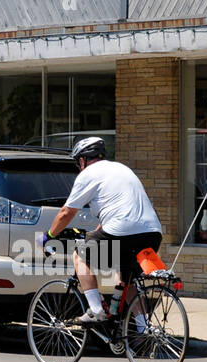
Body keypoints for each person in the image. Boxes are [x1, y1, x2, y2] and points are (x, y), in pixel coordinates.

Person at [44, 136, 163, 323]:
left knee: (80, 255)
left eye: (78, 163)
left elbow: (66, 212)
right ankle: (143, 329)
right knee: (127, 279)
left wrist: (49, 235)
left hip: (123, 230)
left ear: (82, 160)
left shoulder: (88, 174)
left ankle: (96, 310)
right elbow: (114, 214)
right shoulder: (121, 168)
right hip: (153, 232)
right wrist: (93, 234)